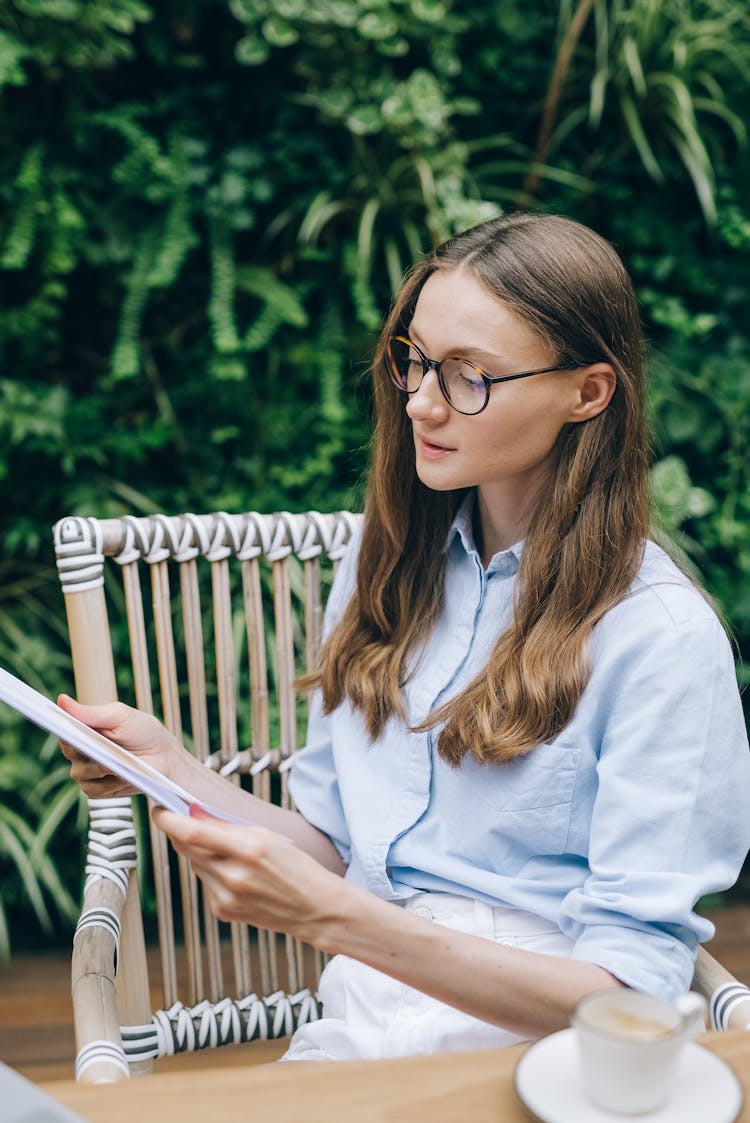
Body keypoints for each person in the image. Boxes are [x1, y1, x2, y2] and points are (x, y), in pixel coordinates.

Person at [59, 211, 750, 1062]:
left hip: (542, 1055)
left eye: (470, 376)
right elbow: (337, 844)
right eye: (416, 360)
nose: (420, 399)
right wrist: (171, 770)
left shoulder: (661, 640)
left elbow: (630, 997)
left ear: (589, 392)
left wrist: (338, 916)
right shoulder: (382, 566)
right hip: (355, 1021)